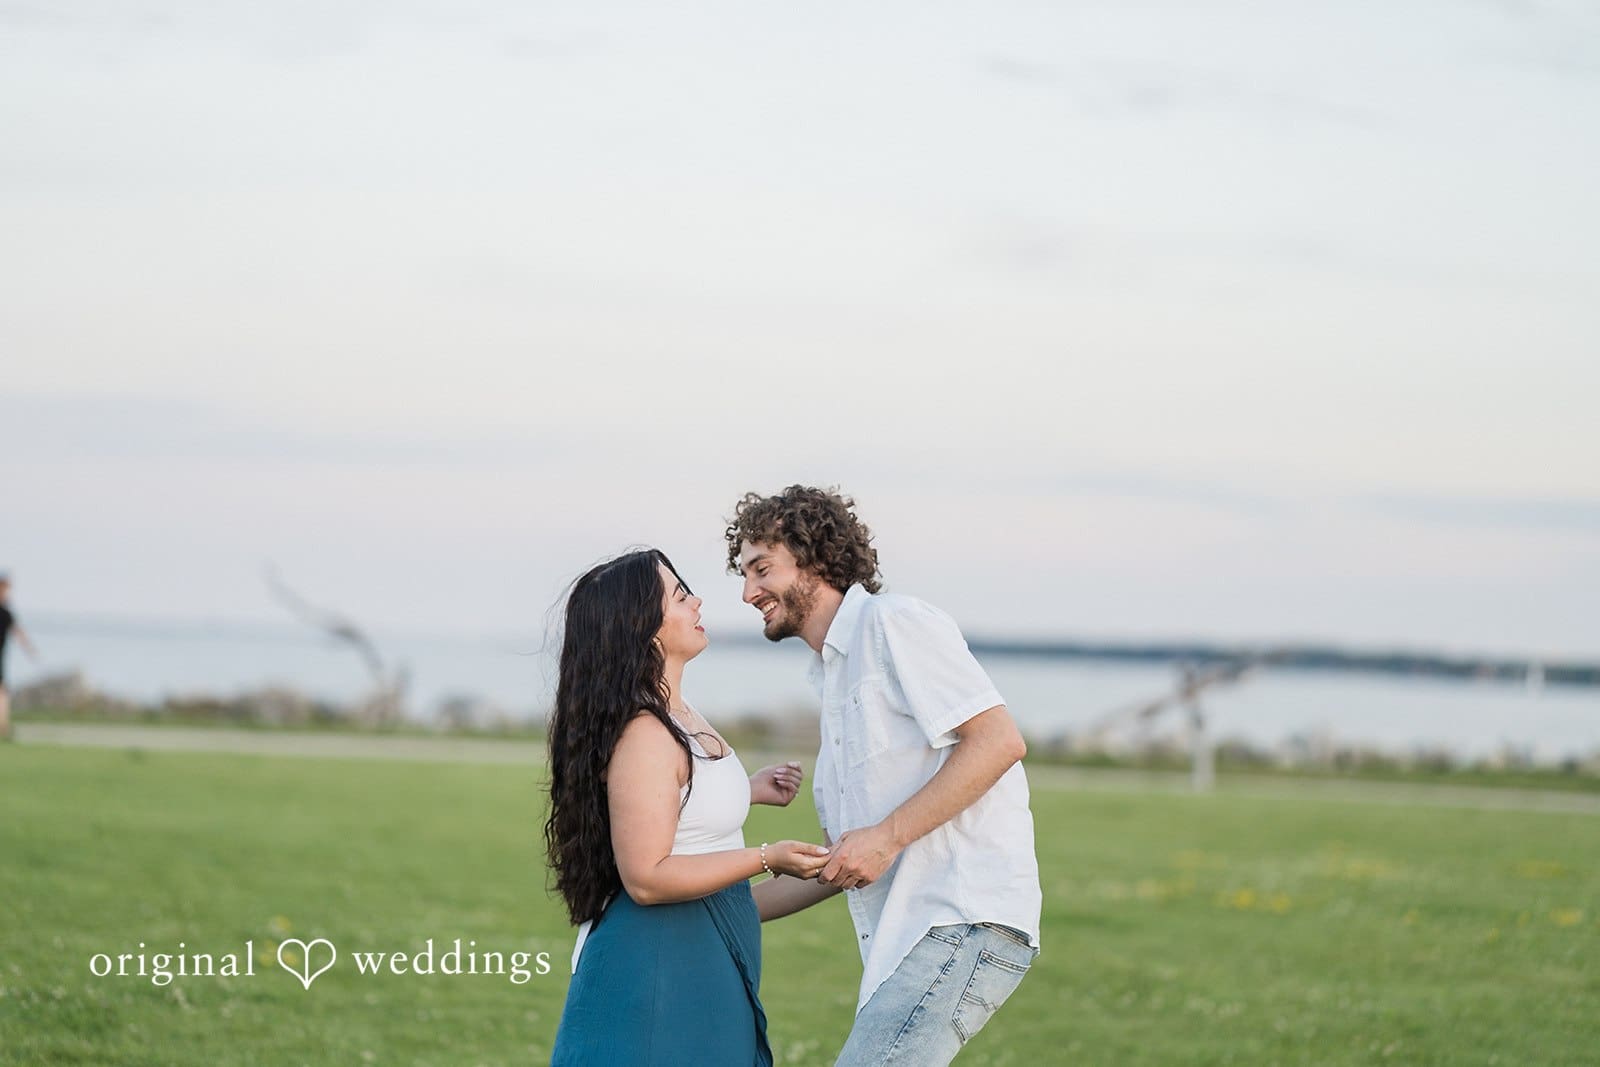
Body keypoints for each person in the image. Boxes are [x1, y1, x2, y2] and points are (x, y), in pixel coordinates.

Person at [729, 487, 1042, 1066]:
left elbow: (998, 741)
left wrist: (887, 836)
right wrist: (721, 910)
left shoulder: (893, 623)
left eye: (761, 569)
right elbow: (842, 860)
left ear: (814, 558)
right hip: (906, 942)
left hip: (961, 919)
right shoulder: (833, 679)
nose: (748, 593)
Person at [545, 548, 831, 1067]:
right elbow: (648, 878)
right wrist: (770, 856)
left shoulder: (680, 715)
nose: (698, 601)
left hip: (704, 960)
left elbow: (689, 825)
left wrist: (753, 795)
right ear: (641, 625)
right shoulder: (646, 734)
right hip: (655, 975)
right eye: (680, 595)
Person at [0, 572, 39, 742]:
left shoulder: (7, 614)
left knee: (2, 693)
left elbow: (18, 633)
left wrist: (30, 649)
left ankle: (3, 726)